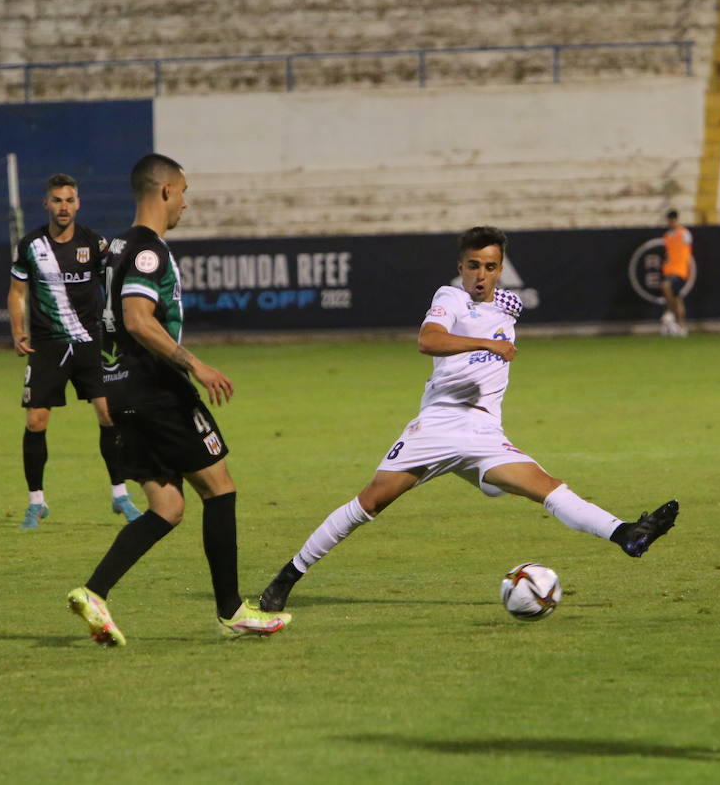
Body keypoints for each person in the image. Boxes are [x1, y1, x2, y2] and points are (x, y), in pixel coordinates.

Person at [256, 225, 680, 613]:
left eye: (490, 267)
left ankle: (627, 534)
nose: (480, 275)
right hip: (439, 423)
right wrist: (487, 345)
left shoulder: (507, 307)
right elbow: (428, 340)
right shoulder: (450, 297)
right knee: (370, 502)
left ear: (500, 270)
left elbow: (503, 308)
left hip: (482, 433)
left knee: (549, 489)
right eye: (473, 266)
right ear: (460, 267)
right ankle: (287, 578)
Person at [65, 153, 291, 645]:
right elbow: (136, 318)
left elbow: (96, 321)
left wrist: (102, 384)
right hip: (157, 389)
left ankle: (95, 592)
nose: (186, 203)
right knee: (220, 487)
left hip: (122, 390)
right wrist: (196, 364)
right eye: (183, 192)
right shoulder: (149, 251)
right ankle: (232, 611)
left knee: (167, 507)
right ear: (165, 191)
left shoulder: (113, 249)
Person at [9, 174, 142, 529]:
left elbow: (111, 287)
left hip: (91, 342)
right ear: (46, 204)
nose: (63, 206)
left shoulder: (94, 243)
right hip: (47, 344)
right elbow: (17, 292)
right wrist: (17, 330)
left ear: (78, 203)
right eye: (57, 200)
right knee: (36, 421)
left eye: (69, 200)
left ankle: (120, 496)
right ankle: (36, 503)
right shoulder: (31, 245)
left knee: (109, 415)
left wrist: (120, 329)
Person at [660, 209, 693, 336]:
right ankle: (682, 327)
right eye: (669, 220)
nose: (670, 222)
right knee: (678, 299)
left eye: (672, 220)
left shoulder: (684, 233)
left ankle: (669, 312)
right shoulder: (667, 236)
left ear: (676, 220)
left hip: (679, 271)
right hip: (670, 271)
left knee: (665, 286)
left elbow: (687, 249)